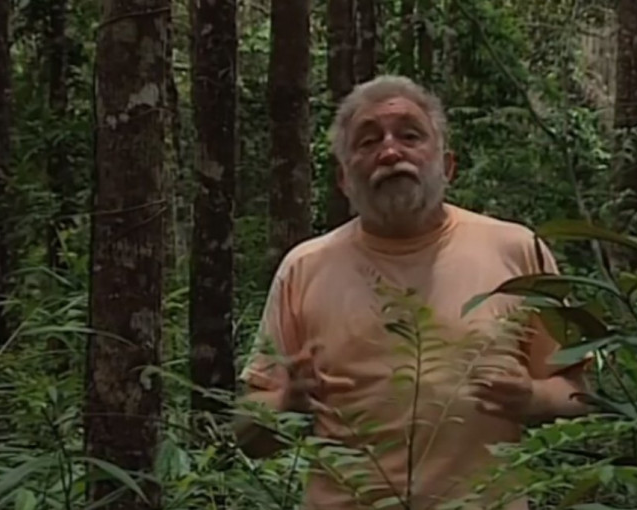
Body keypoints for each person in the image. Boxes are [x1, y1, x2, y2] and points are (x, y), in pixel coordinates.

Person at [234, 75, 591, 510]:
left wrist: (533, 397)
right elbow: (246, 433)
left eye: (410, 135)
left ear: (448, 165)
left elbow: (580, 393)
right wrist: (286, 402)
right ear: (344, 179)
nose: (389, 152)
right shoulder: (305, 267)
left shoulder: (517, 251)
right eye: (368, 141)